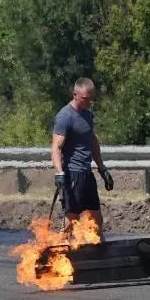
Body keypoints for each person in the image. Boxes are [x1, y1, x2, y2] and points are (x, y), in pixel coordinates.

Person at [50, 77, 114, 231]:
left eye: (91, 98)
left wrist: (102, 168)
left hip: (86, 173)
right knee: (71, 219)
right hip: (72, 174)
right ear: (75, 95)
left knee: (96, 217)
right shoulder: (65, 117)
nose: (89, 102)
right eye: (86, 98)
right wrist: (59, 173)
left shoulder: (88, 115)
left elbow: (92, 141)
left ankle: (99, 251)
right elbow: (56, 148)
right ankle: (61, 251)